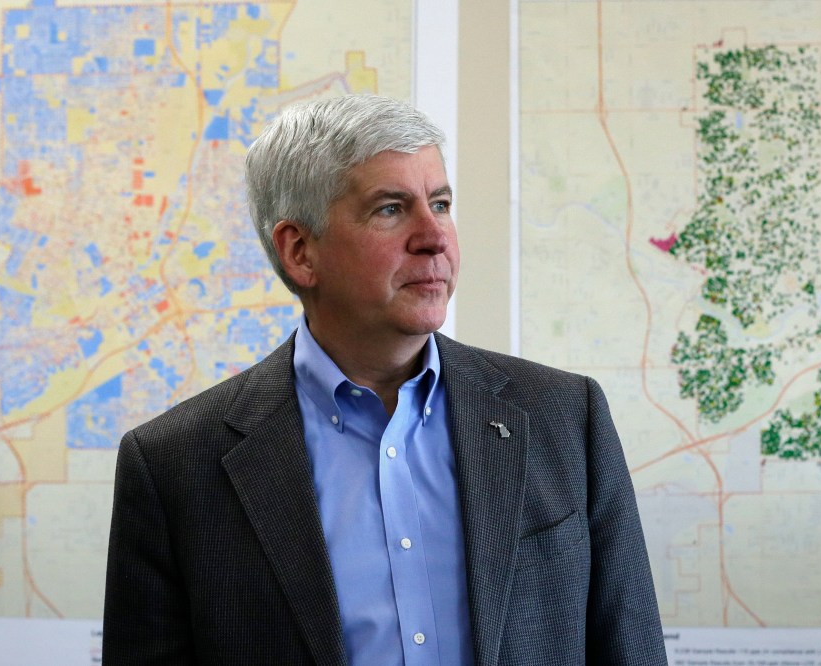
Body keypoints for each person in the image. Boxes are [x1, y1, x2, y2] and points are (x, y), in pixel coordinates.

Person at [103, 94, 667, 665]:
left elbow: (631, 649)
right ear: (300, 252)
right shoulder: (174, 464)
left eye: (440, 203)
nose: (434, 236)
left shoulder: (565, 417)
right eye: (391, 209)